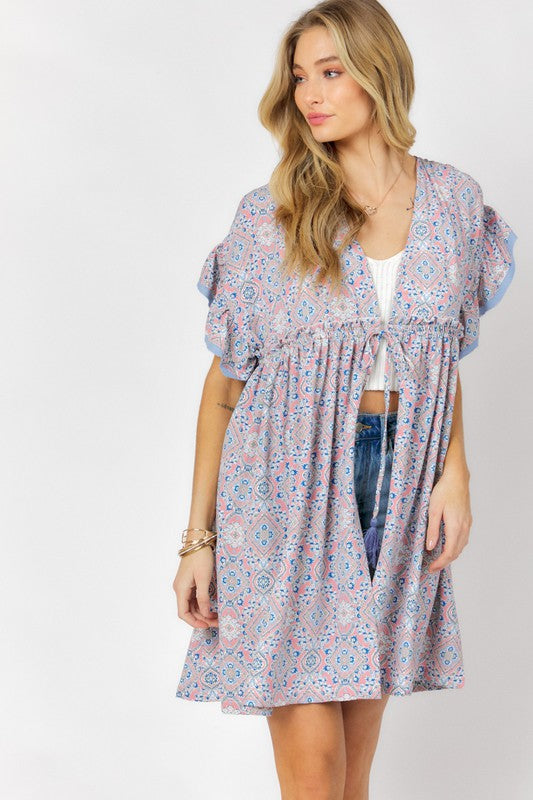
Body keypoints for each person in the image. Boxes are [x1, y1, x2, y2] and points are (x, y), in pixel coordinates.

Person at [173, 1, 517, 797]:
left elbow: (440, 357)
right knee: (315, 770)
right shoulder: (271, 218)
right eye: (299, 77)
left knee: (352, 774)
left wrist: (454, 472)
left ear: (378, 73)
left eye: (330, 72)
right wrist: (199, 538)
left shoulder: (455, 206)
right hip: (283, 493)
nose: (309, 94)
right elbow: (224, 388)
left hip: (396, 494)